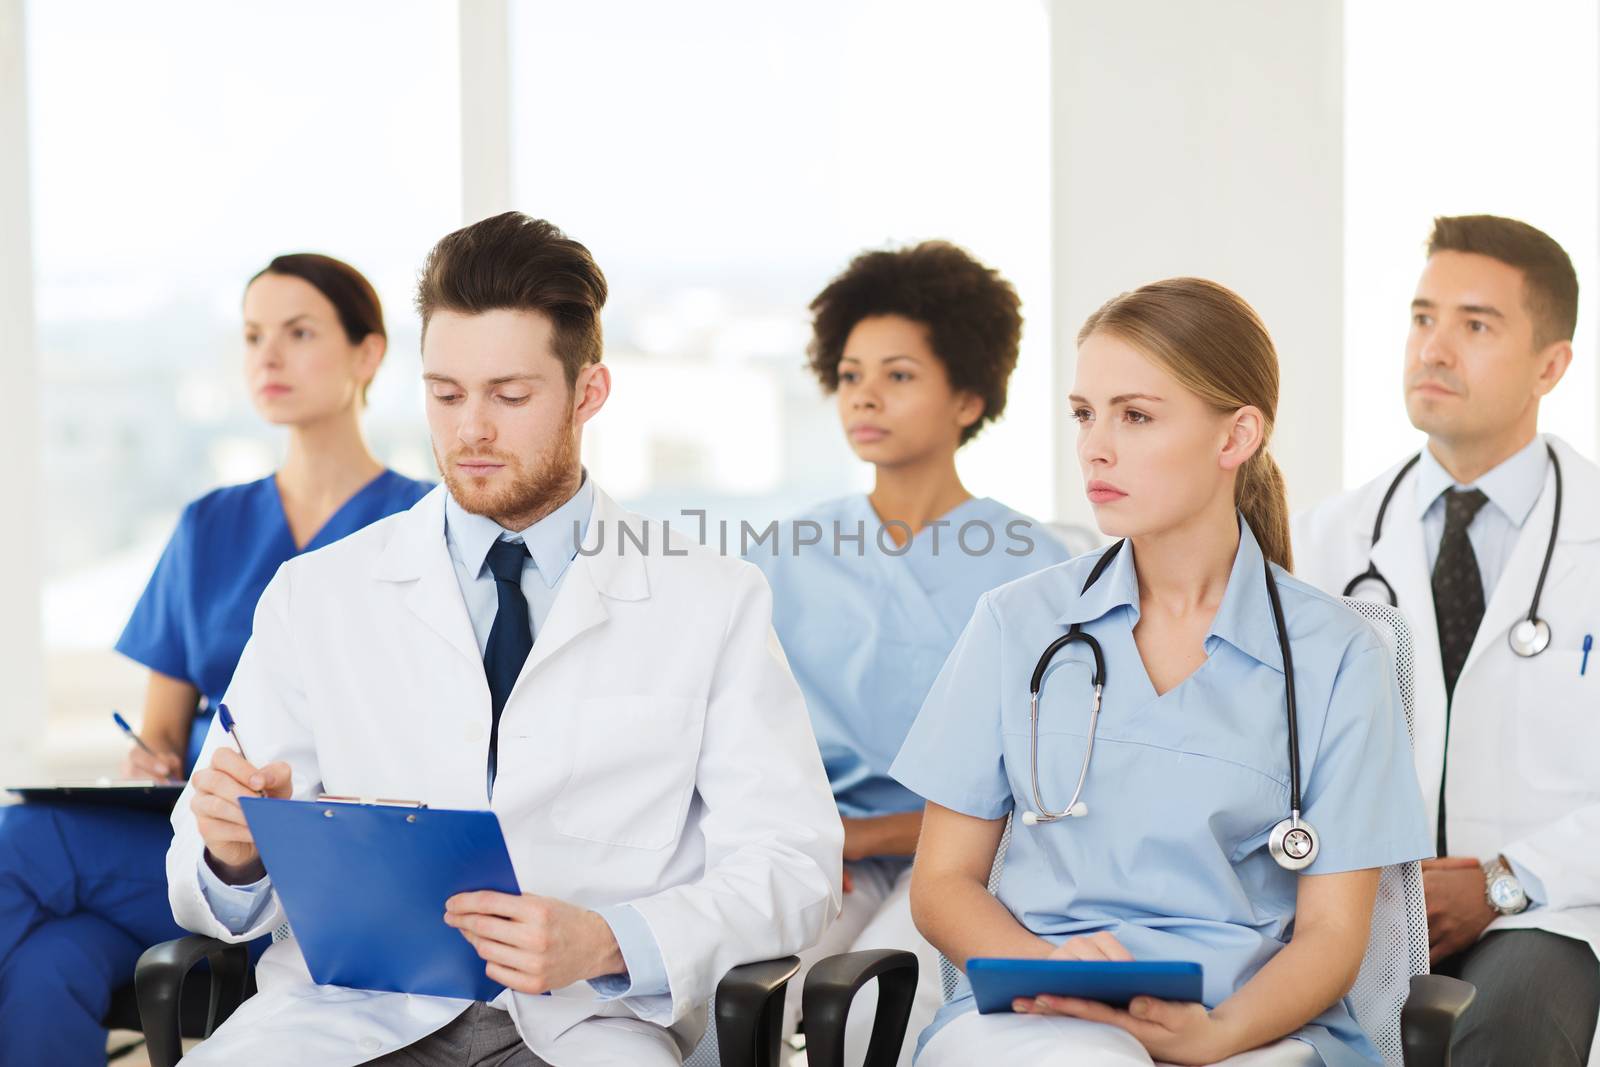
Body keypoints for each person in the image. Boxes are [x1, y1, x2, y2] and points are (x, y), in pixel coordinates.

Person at [164, 212, 843, 1066]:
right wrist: (232, 853)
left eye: (510, 396)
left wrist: (610, 939)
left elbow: (794, 866)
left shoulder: (710, 600)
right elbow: (211, 871)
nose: (471, 430)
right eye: (445, 393)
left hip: (586, 1022)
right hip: (345, 1019)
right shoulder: (318, 595)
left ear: (588, 393)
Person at [889, 278, 1431, 1066]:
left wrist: (1218, 1033)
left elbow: (1333, 933)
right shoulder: (1017, 623)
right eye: (1085, 413)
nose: (1095, 446)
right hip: (1040, 1014)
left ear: (1235, 436)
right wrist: (1047, 971)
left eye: (1135, 415)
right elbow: (941, 883)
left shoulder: (1338, 654)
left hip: (1252, 1025)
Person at [0, 253, 432, 1066]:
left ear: (368, 354)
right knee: (48, 963)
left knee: (19, 843)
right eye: (252, 336)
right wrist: (154, 757)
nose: (267, 357)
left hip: (329, 858)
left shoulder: (418, 529)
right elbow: (162, 732)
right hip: (196, 850)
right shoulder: (210, 522)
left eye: (298, 333)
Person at [747, 240, 1068, 1066]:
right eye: (851, 375)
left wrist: (877, 836)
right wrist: (812, 838)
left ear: (967, 395)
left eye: (898, 375)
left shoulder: (1041, 568)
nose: (865, 397)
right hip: (825, 855)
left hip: (964, 865)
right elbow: (743, 734)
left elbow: (1051, 777)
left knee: (868, 1011)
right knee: (733, 1004)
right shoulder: (785, 553)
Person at [1293, 214, 1600, 1066]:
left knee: (1515, 1025)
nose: (1433, 348)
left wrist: (1505, 878)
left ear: (1552, 364)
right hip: (1355, 904)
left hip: (1547, 908)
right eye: (1423, 317)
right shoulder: (1324, 542)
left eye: (1476, 324)